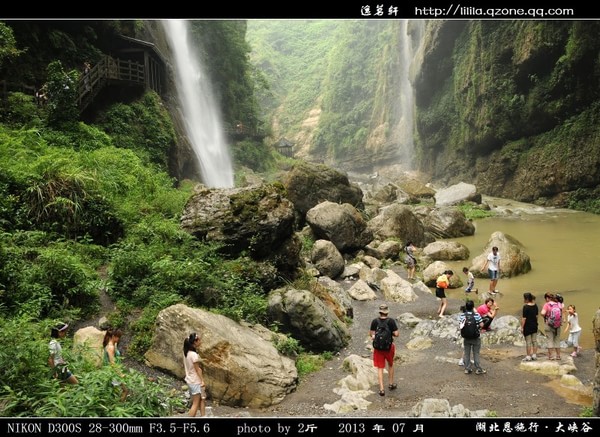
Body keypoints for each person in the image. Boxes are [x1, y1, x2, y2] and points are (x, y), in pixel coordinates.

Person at [369, 303, 399, 396]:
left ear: (380, 312)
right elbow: (397, 334)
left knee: (380, 368)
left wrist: (375, 336)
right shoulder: (391, 321)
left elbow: (371, 334)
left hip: (378, 348)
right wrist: (390, 334)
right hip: (388, 347)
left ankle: (381, 389)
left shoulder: (375, 321)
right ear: (387, 312)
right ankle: (390, 384)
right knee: (390, 364)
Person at [458, 300, 486, 375]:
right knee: (476, 353)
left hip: (466, 338)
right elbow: (482, 325)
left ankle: (467, 369)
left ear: (466, 307)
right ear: (473, 307)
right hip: (475, 337)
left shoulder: (462, 315)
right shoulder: (477, 315)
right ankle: (478, 369)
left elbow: (460, 325)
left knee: (467, 353)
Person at [183, 332, 207, 417]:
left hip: (190, 380)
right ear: (195, 342)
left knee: (201, 400)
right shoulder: (194, 355)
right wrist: (202, 381)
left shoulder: (187, 353)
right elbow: (198, 369)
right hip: (195, 381)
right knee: (195, 404)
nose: (200, 341)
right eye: (199, 340)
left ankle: (203, 417)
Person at [103, 328, 128, 401]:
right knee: (124, 391)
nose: (119, 339)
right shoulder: (110, 347)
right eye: (118, 337)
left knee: (115, 392)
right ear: (113, 336)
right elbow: (112, 363)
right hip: (113, 373)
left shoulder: (111, 344)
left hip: (110, 372)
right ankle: (118, 407)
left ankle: (116, 406)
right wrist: (120, 374)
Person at [540, 292, 562, 360]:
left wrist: (546, 317)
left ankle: (551, 356)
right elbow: (561, 314)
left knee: (550, 340)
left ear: (547, 298)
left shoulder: (547, 305)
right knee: (557, 340)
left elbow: (542, 313)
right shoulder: (558, 304)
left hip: (549, 325)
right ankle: (558, 356)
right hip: (557, 325)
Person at [521, 292, 539, 361]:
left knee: (528, 342)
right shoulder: (535, 306)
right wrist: (535, 323)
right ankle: (534, 355)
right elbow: (536, 316)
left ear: (527, 299)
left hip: (527, 326)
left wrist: (522, 327)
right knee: (534, 341)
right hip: (534, 325)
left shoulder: (525, 307)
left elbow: (524, 319)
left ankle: (528, 356)